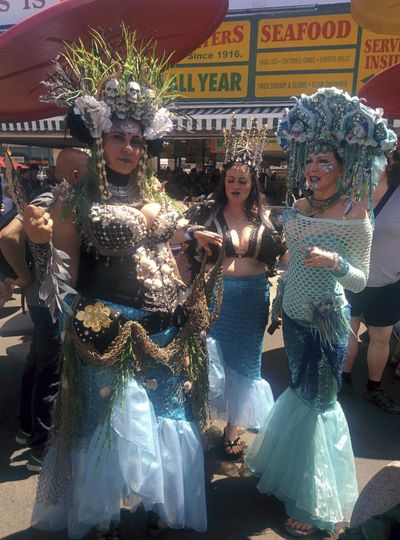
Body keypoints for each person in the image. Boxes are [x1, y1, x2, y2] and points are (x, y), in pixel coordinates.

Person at [23, 29, 222, 540]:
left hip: (162, 328)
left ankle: (159, 500)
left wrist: (196, 249)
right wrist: (42, 240)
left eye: (137, 138)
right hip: (103, 328)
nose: (129, 147)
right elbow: (64, 269)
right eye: (118, 137)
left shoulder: (160, 192)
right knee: (106, 423)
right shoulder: (74, 198)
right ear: (99, 139)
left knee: (164, 413)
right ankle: (102, 514)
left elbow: (172, 253)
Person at [246, 87, 397, 537]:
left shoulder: (357, 216)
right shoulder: (297, 206)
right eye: (309, 160)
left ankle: (314, 499)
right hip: (293, 315)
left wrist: (335, 264)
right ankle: (289, 473)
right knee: (299, 391)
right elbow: (290, 262)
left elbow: (361, 279)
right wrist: (277, 301)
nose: (313, 169)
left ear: (344, 165)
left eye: (324, 161)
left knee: (321, 402)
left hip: (326, 320)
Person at [187, 122, 287, 460]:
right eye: (231, 179)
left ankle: (232, 429)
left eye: (243, 180)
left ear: (253, 183)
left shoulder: (269, 218)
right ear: (223, 182)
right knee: (211, 360)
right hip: (217, 296)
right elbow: (185, 249)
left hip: (254, 298)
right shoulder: (206, 213)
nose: (236, 185)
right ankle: (201, 423)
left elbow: (285, 255)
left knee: (246, 364)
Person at [343, 156, 400, 413]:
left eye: (375, 158)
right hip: (349, 278)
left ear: (387, 162)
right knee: (346, 333)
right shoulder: (350, 195)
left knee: (381, 338)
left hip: (386, 282)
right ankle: (341, 381)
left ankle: (373, 388)